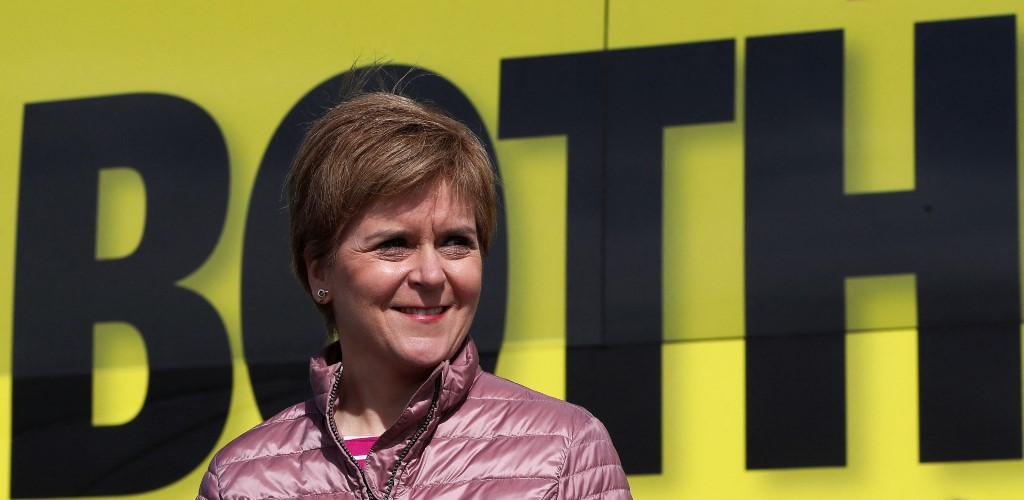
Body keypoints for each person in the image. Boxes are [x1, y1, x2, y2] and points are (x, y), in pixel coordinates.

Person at [198, 88, 631, 499]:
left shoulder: (565, 452)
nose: (431, 274)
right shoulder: (240, 480)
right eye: (394, 244)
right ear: (319, 273)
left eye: (456, 242)